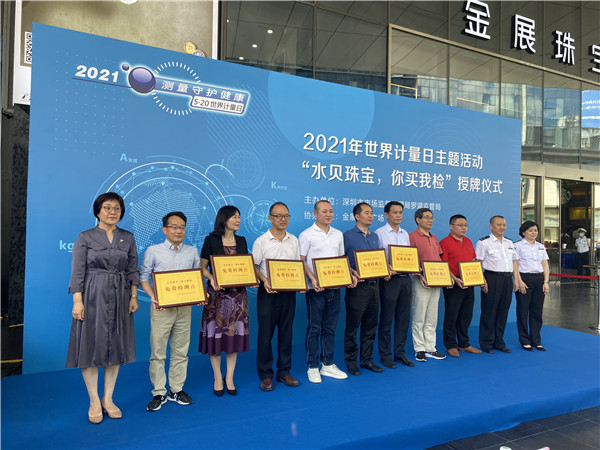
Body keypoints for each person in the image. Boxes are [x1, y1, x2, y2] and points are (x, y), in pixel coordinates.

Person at [67, 192, 139, 424]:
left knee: (115, 345)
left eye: (117, 208)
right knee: (89, 346)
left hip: (120, 295)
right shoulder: (85, 237)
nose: (112, 212)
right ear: (98, 211)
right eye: (107, 207)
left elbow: (132, 269)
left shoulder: (127, 237)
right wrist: (77, 301)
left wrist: (133, 296)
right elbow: (78, 271)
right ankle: (94, 400)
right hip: (92, 295)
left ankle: (108, 398)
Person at [140, 211, 200, 411]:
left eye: (182, 227)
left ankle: (176, 389)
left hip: (184, 308)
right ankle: (159, 392)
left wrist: (200, 295)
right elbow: (143, 277)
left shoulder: (192, 251)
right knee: (158, 352)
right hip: (161, 308)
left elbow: (196, 277)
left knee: (181, 350)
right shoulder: (153, 251)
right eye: (174, 227)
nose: (178, 231)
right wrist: (153, 297)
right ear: (165, 229)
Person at [200, 205, 252, 396]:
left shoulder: (242, 240)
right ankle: (217, 377)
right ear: (224, 219)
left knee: (233, 338)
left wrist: (251, 279)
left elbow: (245, 267)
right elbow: (202, 267)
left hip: (237, 297)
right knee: (216, 337)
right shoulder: (211, 240)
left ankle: (229, 377)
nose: (238, 220)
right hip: (217, 297)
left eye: (239, 217)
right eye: (234, 217)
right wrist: (212, 278)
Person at [299, 200, 351, 383]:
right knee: (314, 328)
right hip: (316, 288)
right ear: (315, 214)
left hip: (334, 288)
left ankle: (327, 364)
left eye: (330, 211)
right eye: (324, 211)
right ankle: (312, 366)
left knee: (330, 328)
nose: (328, 214)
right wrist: (312, 279)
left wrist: (347, 277)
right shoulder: (306, 234)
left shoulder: (338, 234)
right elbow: (301, 260)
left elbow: (341, 259)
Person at [252, 202, 301, 392]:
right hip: (268, 293)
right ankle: (265, 375)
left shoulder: (293, 240)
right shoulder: (261, 241)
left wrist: (300, 283)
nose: (283, 219)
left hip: (289, 292)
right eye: (278, 216)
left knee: (286, 333)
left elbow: (296, 265)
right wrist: (265, 280)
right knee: (265, 335)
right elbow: (254, 267)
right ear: (270, 218)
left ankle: (284, 372)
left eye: (286, 216)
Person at [343, 202, 386, 376]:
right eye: (367, 213)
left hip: (374, 286)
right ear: (357, 216)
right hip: (357, 288)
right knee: (353, 326)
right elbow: (341, 260)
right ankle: (351, 361)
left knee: (370, 325)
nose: (370, 216)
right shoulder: (347, 236)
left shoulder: (375, 236)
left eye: (372, 213)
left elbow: (378, 260)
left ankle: (367, 360)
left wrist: (385, 270)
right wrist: (352, 272)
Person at [375, 201, 415, 368]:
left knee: (403, 318)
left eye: (400, 212)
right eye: (395, 212)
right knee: (387, 318)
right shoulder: (379, 233)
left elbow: (409, 257)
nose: (398, 215)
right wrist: (386, 268)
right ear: (386, 215)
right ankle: (385, 355)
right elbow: (376, 258)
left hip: (406, 279)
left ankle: (400, 353)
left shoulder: (405, 234)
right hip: (389, 280)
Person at [476, 215, 519, 354]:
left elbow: (514, 262)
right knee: (489, 311)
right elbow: (477, 263)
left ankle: (499, 342)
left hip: (507, 279)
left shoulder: (509, 242)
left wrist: (516, 280)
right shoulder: (484, 242)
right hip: (491, 278)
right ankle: (486, 343)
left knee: (503, 311)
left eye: (504, 225)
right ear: (491, 226)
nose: (502, 227)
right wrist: (482, 281)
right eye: (498, 225)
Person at [439, 214, 482, 358]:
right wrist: (455, 279)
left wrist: (478, 276)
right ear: (451, 226)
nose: (464, 228)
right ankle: (450, 345)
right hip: (453, 283)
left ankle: (464, 344)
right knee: (452, 315)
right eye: (460, 225)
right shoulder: (445, 242)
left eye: (465, 225)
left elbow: (473, 260)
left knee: (466, 314)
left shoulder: (468, 241)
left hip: (469, 281)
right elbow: (443, 264)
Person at [409, 207, 446, 362]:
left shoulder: (434, 238)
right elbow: (410, 260)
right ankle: (419, 349)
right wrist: (420, 276)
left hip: (436, 281)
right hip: (420, 281)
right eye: (426, 217)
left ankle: (431, 347)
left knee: (432, 316)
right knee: (419, 315)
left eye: (432, 217)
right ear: (418, 220)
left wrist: (445, 277)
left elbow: (439, 260)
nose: (430, 220)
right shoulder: (412, 237)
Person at [514, 221, 550, 352]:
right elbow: (515, 265)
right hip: (524, 278)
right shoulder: (517, 246)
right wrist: (519, 281)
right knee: (523, 311)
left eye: (535, 230)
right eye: (530, 230)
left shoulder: (540, 246)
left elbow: (545, 264)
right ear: (523, 232)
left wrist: (546, 281)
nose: (533, 232)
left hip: (539, 279)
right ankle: (524, 340)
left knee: (537, 311)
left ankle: (536, 340)